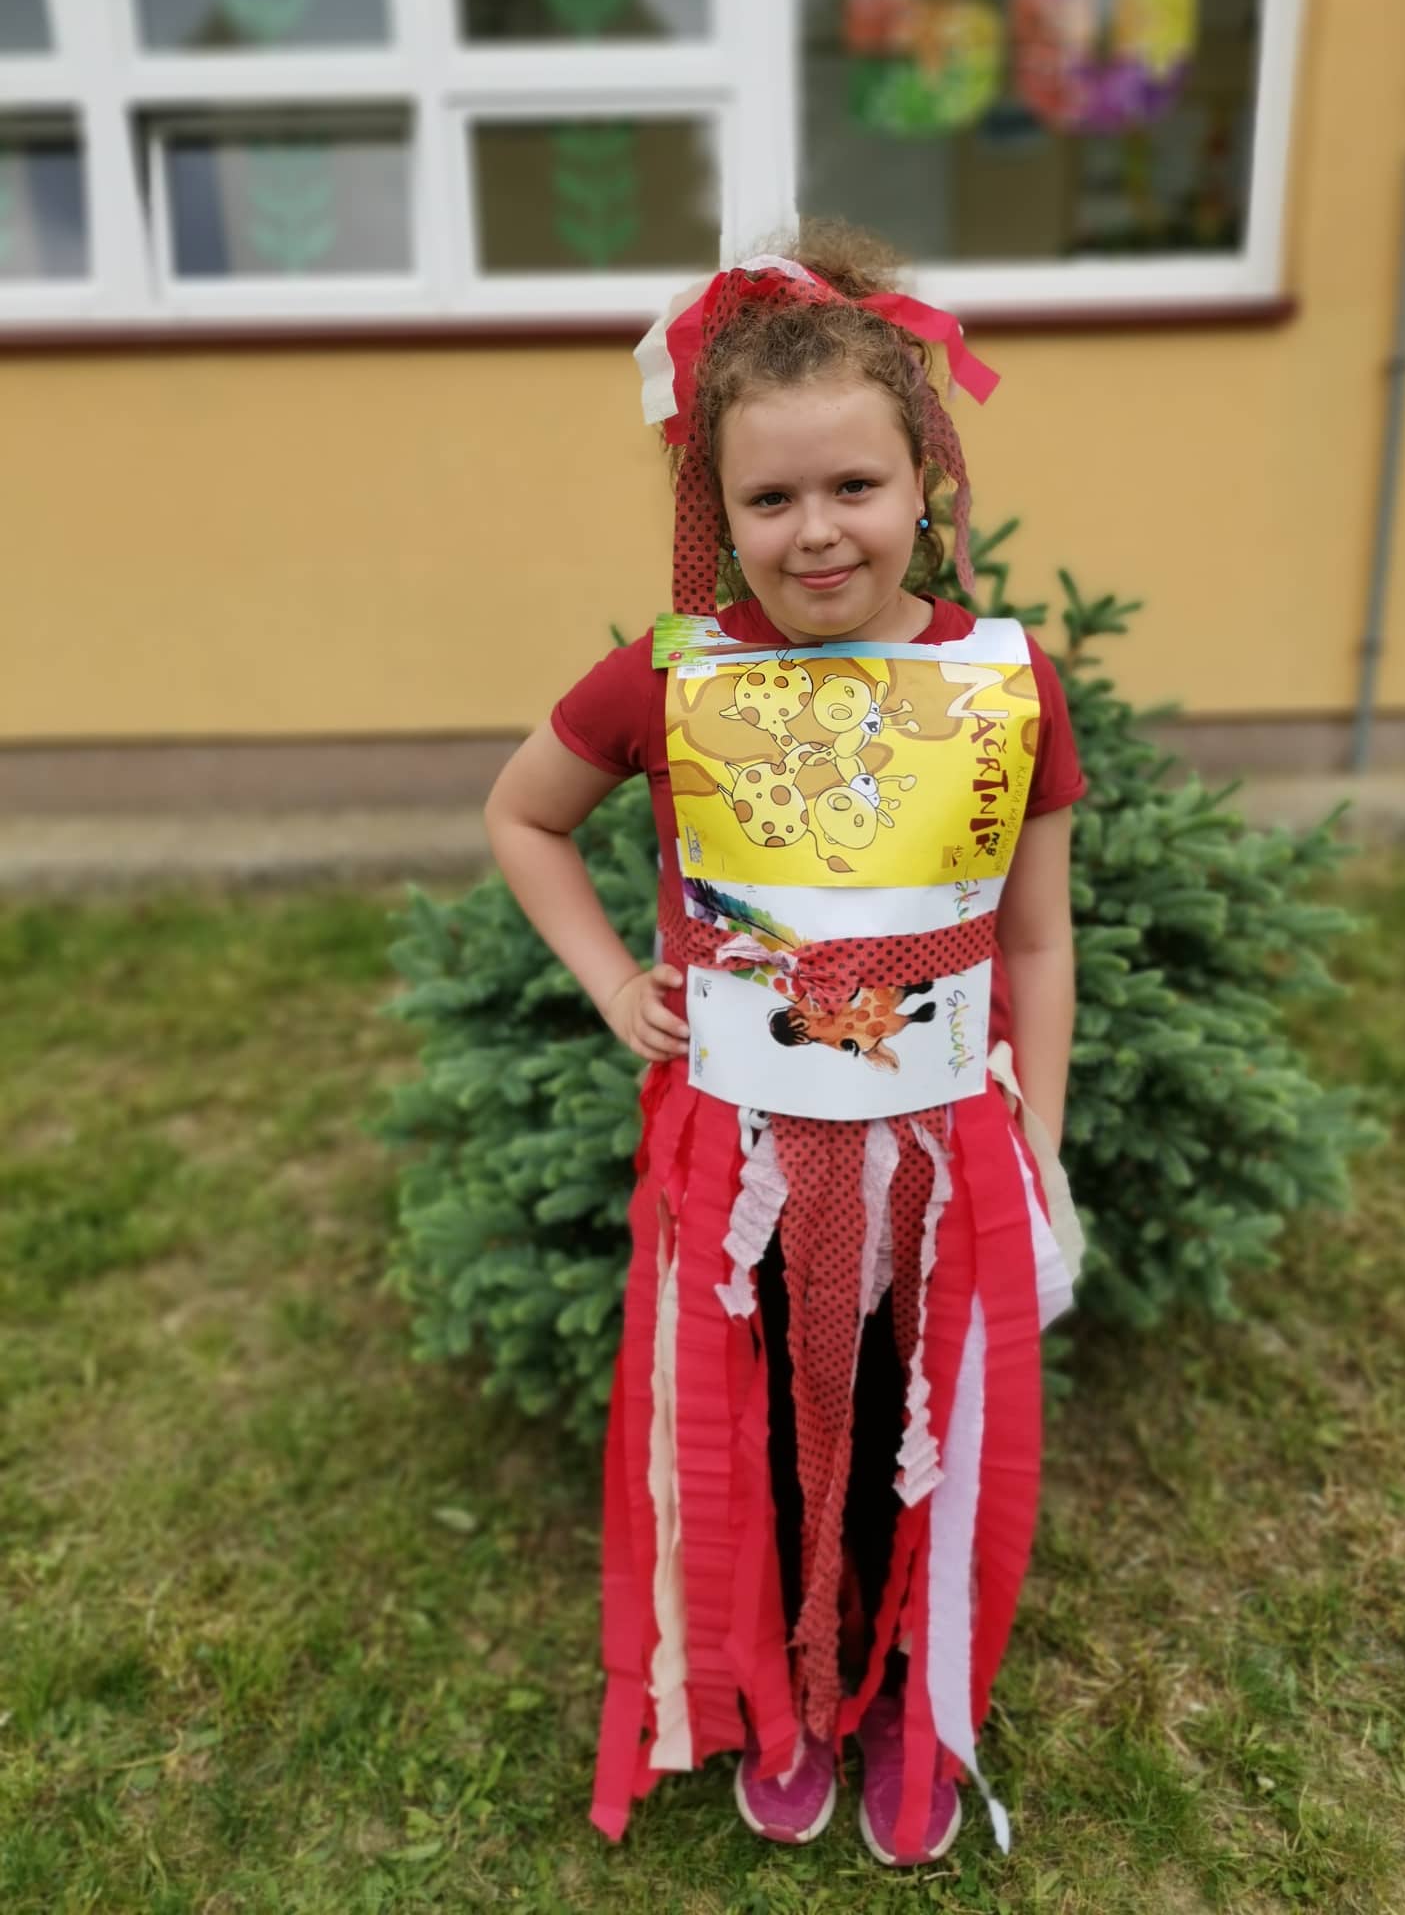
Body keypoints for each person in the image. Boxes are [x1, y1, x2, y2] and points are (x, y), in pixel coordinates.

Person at [483, 223, 1087, 1867]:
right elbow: (524, 816)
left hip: (937, 1157)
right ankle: (781, 1690)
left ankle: (898, 1686)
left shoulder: (1004, 683)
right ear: (719, 506)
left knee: (911, 1424)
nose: (816, 530)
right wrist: (616, 985)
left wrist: (1040, 1131)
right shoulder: (669, 678)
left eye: (855, 486)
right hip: (739, 1153)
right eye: (770, 498)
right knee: (756, 1431)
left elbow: (1037, 935)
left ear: (923, 479)